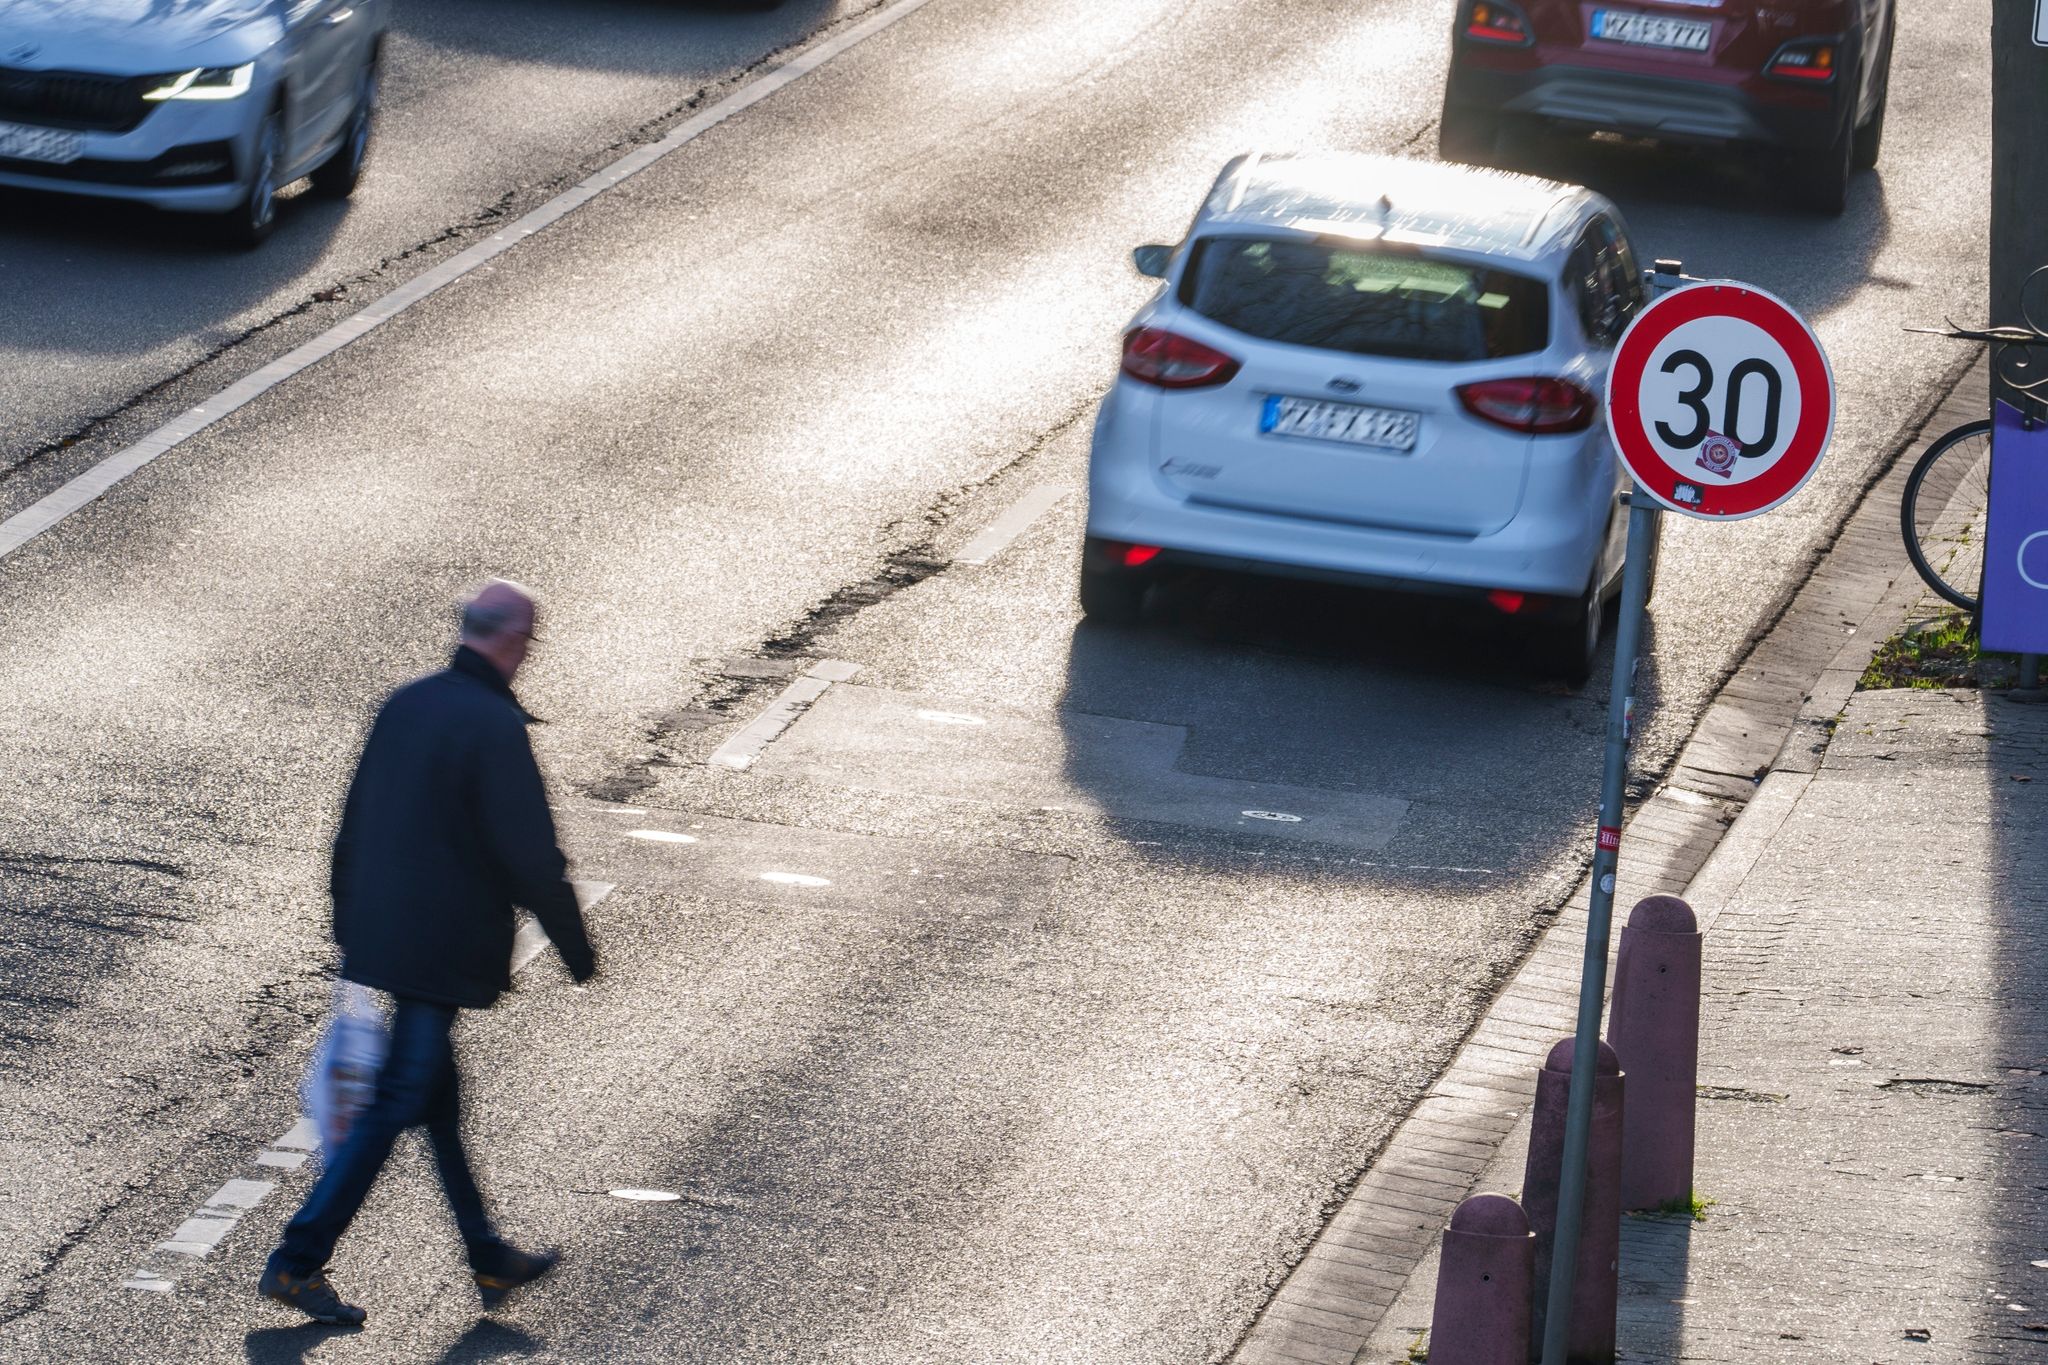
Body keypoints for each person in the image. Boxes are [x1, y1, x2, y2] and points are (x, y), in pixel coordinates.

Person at [260, 580, 597, 1326]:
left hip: (386, 935)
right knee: (394, 1102)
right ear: (510, 641)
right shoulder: (491, 724)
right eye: (528, 642)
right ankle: (297, 1258)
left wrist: (350, 923)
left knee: (437, 1102)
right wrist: (575, 946)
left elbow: (355, 821)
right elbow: (529, 851)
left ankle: (486, 1253)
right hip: (441, 946)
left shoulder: (406, 703)